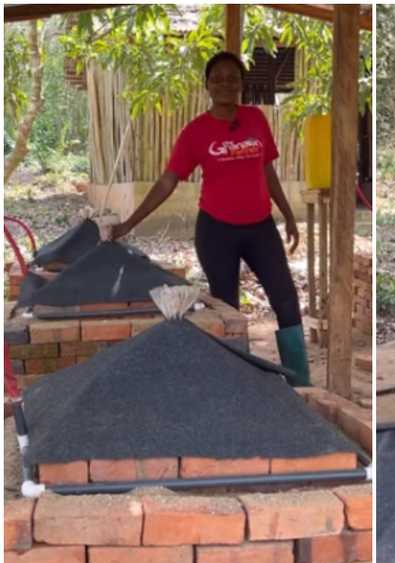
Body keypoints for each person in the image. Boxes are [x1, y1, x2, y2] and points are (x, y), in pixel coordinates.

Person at [109, 51, 310, 385]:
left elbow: (267, 170)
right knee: (228, 308)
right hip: (217, 232)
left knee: (285, 299)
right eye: (217, 78)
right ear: (207, 85)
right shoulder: (195, 133)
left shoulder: (256, 120)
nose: (225, 84)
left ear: (242, 84)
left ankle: (301, 382)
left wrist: (288, 214)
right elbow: (167, 181)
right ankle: (234, 383)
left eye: (233, 78)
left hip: (260, 228)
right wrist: (129, 223)